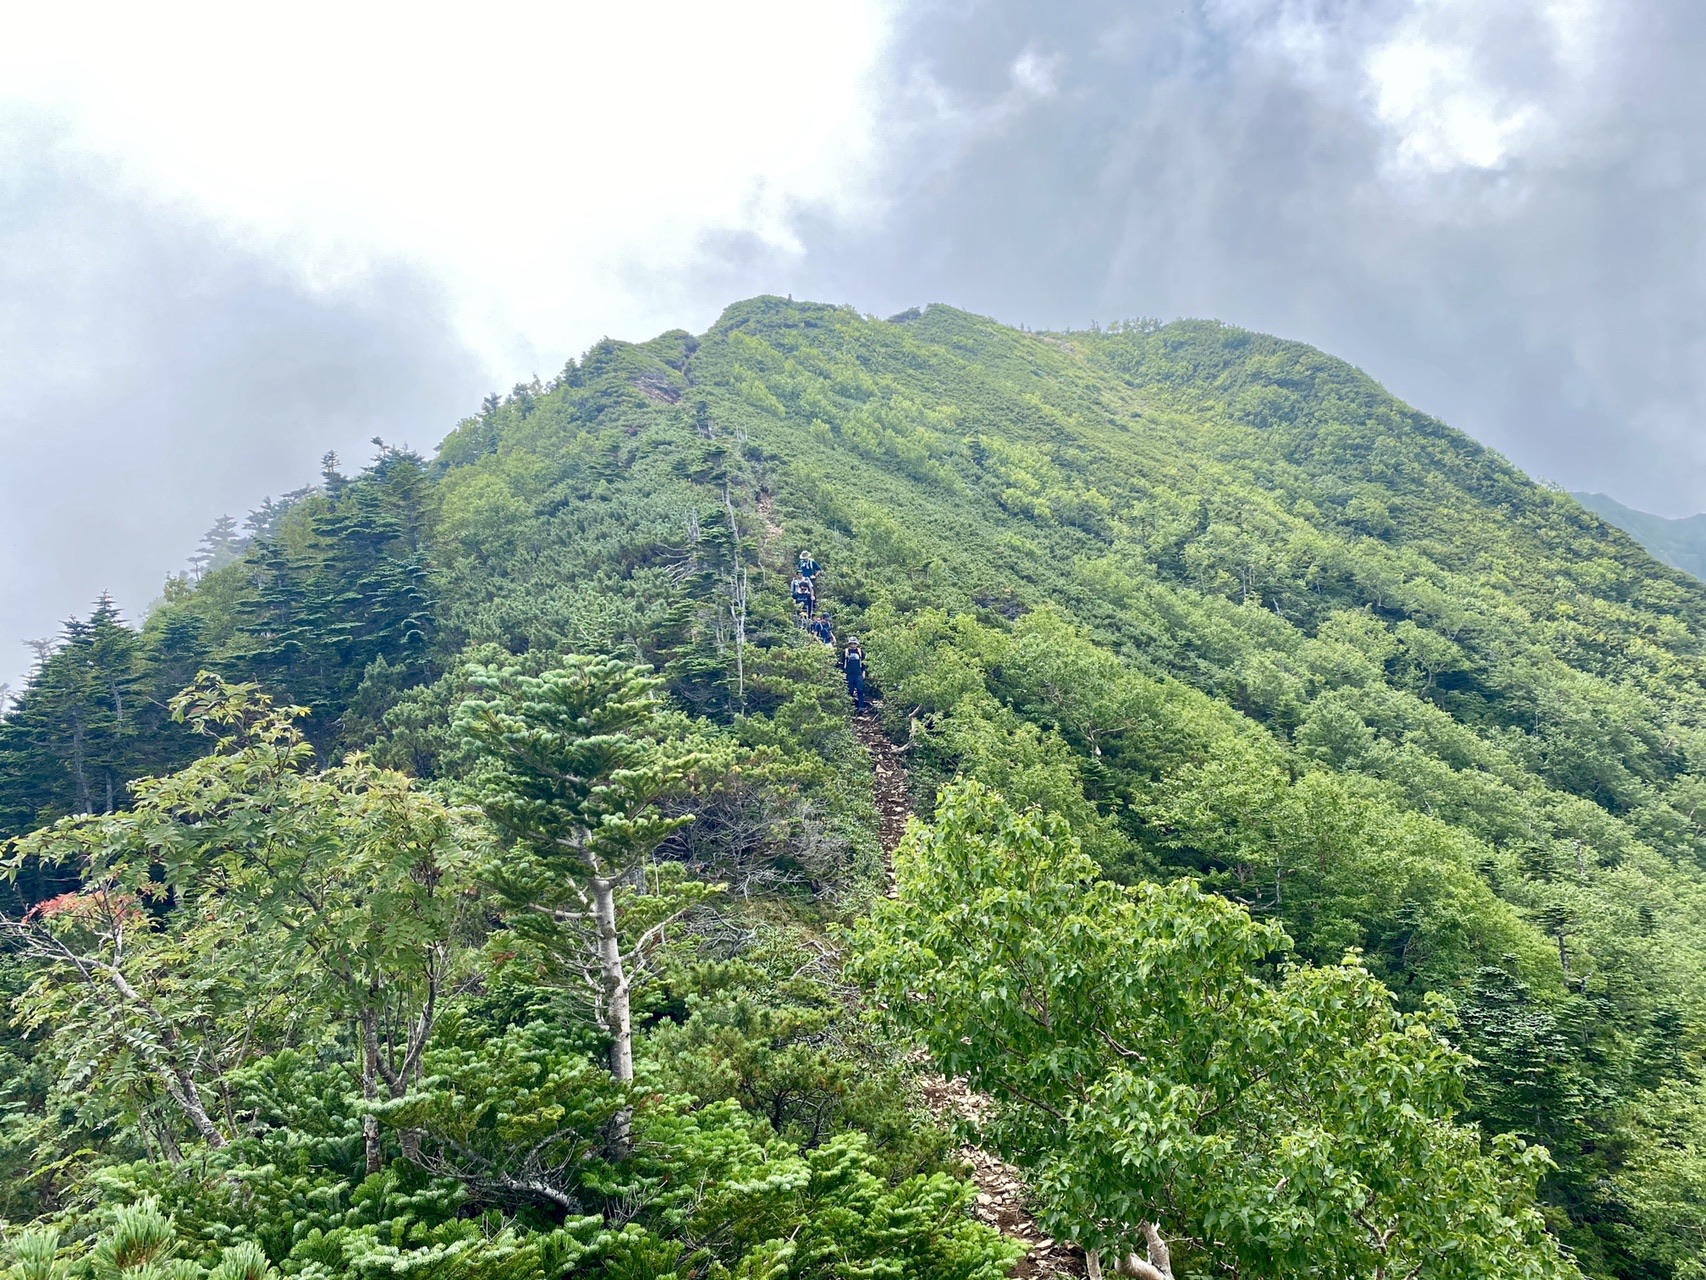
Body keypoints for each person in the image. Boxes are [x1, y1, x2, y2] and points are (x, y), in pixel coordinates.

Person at [842, 637, 866, 709]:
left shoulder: (860, 652)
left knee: (860, 690)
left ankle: (861, 707)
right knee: (850, 691)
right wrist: (843, 673)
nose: (853, 645)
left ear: (857, 644)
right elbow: (842, 663)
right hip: (849, 674)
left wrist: (864, 672)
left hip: (858, 674)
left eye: (854, 644)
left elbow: (864, 663)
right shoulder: (845, 652)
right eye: (851, 644)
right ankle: (850, 707)